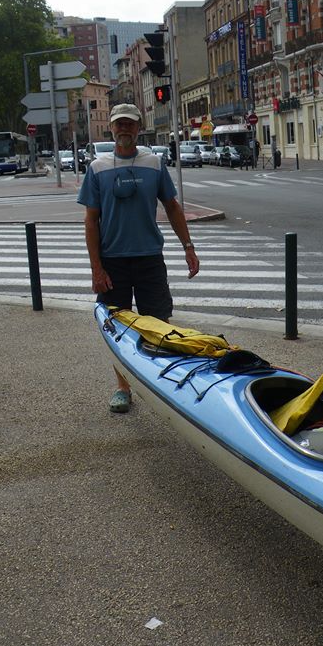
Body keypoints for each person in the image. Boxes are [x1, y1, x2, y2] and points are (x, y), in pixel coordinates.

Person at [78, 103, 200, 413]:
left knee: (159, 324)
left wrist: (188, 246)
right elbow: (91, 220)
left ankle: (165, 384)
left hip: (149, 259)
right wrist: (96, 268)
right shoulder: (97, 168)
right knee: (117, 329)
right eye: (119, 124)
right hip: (112, 262)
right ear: (112, 128)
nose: (124, 130)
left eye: (129, 124)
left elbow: (172, 207)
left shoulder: (154, 164)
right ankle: (123, 387)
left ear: (138, 127)